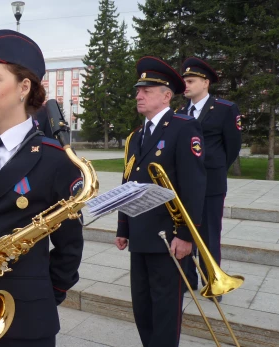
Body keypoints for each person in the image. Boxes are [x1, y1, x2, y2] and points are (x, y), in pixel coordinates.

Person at [0, 29, 84, 347]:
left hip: (26, 318)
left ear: (24, 87)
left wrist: (39, 294)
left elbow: (69, 249)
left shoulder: (56, 159)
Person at [116, 56, 206, 347]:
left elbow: (194, 187)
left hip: (170, 238)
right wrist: (123, 228)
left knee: (166, 308)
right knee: (142, 305)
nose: (139, 95)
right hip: (141, 235)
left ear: (166, 95)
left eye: (147, 90)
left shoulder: (183, 128)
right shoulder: (135, 137)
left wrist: (186, 235)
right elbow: (127, 183)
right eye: (138, 90)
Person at [178, 57, 242, 300]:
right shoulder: (181, 112)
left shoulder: (225, 109)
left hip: (211, 184)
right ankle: (188, 280)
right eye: (184, 80)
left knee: (209, 235)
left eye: (191, 80)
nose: (186, 84)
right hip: (185, 186)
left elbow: (232, 147)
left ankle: (212, 283)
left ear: (205, 83)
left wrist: (211, 171)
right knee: (186, 232)